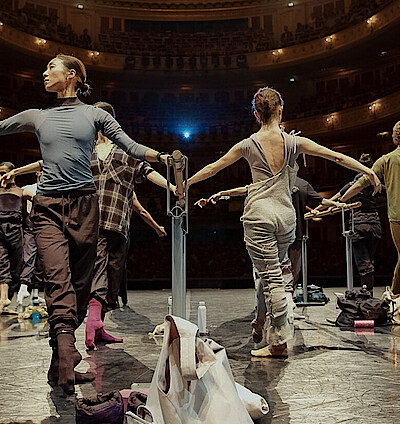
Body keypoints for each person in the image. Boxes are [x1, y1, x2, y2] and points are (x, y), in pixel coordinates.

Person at [0, 54, 170, 395]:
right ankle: (67, 357)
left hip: (85, 208)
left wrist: (163, 157)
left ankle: (57, 365)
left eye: (52, 67)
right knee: (58, 282)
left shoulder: (94, 114)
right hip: (47, 209)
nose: (45, 72)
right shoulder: (38, 116)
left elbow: (130, 146)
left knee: (79, 289)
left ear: (73, 75)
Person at [187, 87, 381, 357]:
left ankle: (278, 343)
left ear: (256, 114)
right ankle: (260, 323)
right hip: (286, 219)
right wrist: (368, 170)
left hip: (260, 217)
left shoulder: (247, 145)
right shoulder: (294, 143)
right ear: (281, 110)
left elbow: (213, 168)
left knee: (273, 280)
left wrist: (184, 184)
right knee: (269, 277)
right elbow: (334, 156)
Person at [85, 101, 173, 350]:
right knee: (99, 268)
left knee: (112, 276)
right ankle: (93, 320)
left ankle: (98, 324)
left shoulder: (123, 151)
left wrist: (172, 187)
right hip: (93, 221)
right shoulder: (86, 150)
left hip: (118, 224)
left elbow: (146, 171)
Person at [341, 123, 400, 295]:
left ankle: (394, 295)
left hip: (396, 216)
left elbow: (360, 183)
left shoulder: (387, 160)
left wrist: (343, 200)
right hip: (377, 223)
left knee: (367, 261)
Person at [0, 162, 33, 314]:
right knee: (2, 263)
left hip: (15, 230)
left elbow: (36, 200)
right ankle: (3, 298)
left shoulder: (20, 191)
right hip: (0, 228)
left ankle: (7, 300)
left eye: (5, 173)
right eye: (0, 173)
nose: (3, 176)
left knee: (15, 266)